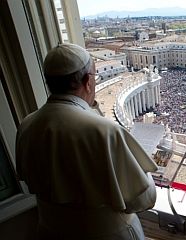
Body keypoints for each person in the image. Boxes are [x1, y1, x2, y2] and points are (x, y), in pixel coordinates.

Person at [16, 43, 158, 240]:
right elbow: (143, 199)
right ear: (87, 82)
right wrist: (142, 163)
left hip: (50, 232)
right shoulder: (104, 131)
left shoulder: (26, 125)